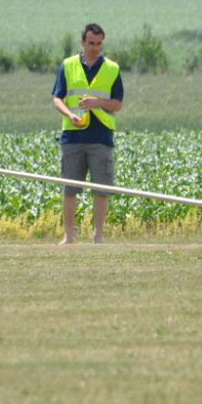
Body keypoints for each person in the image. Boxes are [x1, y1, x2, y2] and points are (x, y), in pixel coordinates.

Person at [52, 23, 124, 244]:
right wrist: (69, 115)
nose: (95, 48)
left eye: (99, 43)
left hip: (101, 137)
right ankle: (68, 236)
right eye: (91, 43)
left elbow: (117, 104)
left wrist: (98, 102)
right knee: (70, 188)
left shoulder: (112, 68)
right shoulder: (67, 65)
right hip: (72, 136)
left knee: (101, 189)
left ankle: (98, 237)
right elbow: (57, 97)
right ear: (81, 42)